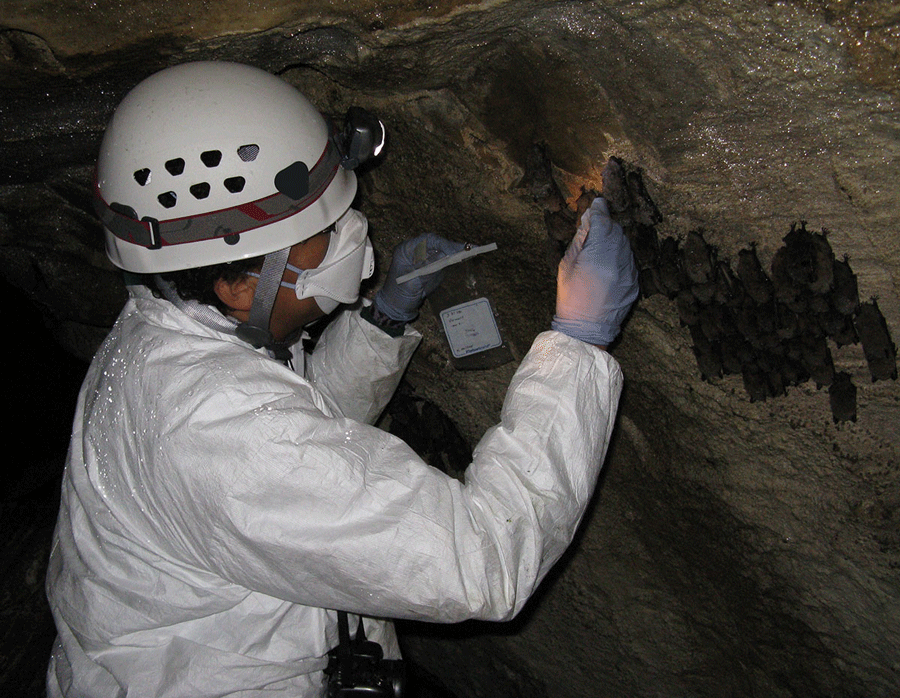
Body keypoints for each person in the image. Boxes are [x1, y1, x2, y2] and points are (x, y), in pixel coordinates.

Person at [45, 61, 639, 698]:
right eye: (322, 234)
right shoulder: (213, 425)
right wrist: (576, 347)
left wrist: (383, 320)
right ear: (240, 285)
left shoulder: (171, 339)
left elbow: (302, 438)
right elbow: (479, 560)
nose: (350, 236)